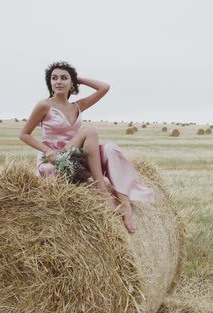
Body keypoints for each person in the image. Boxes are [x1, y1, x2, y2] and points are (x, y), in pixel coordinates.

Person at [19, 61, 154, 233]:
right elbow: (24, 134)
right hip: (56, 159)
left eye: (64, 78)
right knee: (90, 131)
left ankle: (125, 204)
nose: (58, 81)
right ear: (50, 83)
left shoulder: (77, 106)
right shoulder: (44, 105)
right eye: (54, 78)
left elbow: (104, 87)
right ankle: (104, 192)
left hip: (76, 155)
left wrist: (78, 78)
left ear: (72, 83)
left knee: (111, 149)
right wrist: (46, 150)